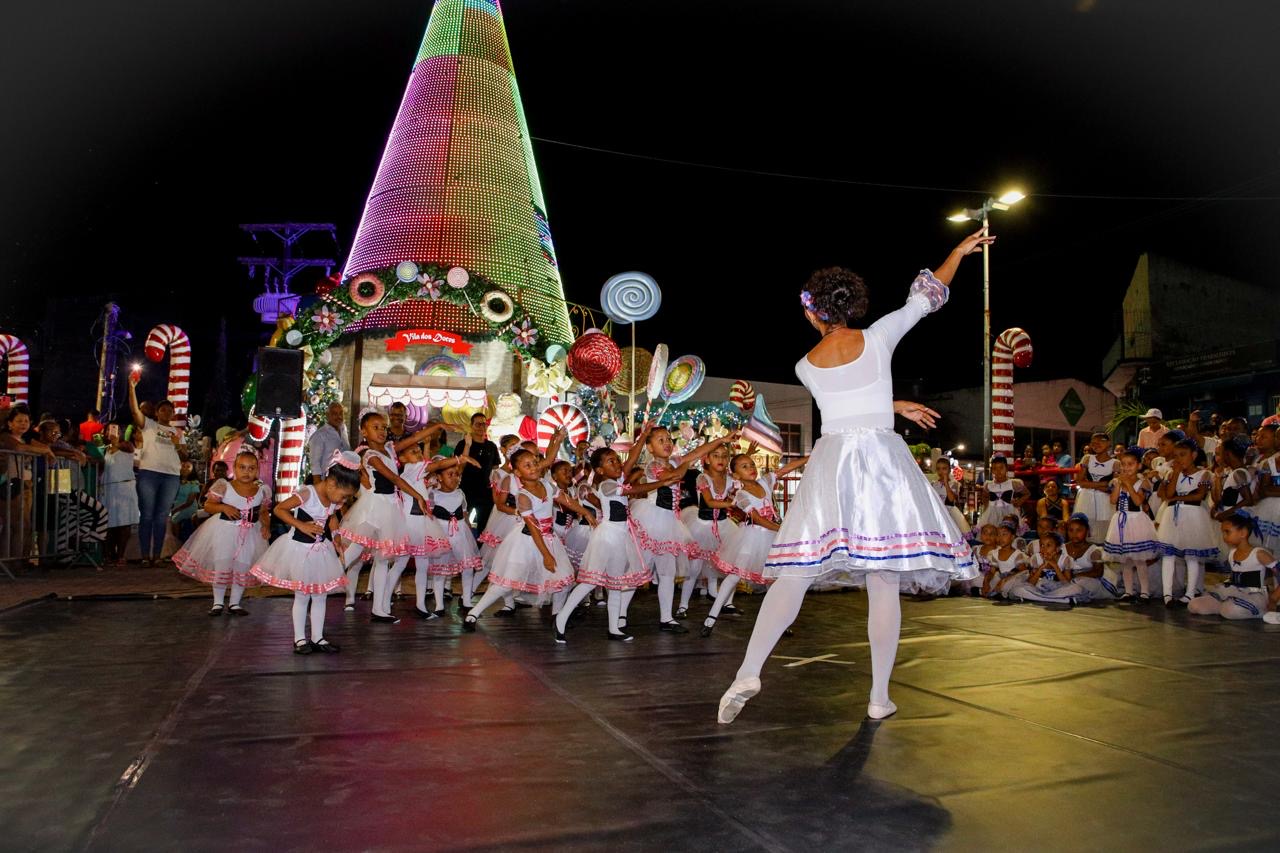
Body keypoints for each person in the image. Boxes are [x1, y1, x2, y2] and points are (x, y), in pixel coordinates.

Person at [718, 229, 989, 725]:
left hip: (834, 463)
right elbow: (925, 298)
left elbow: (844, 407)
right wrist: (956, 252)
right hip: (881, 463)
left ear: (811, 311)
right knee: (882, 579)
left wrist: (890, 403)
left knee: (795, 575)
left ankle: (749, 670)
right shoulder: (879, 335)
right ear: (851, 306)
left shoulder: (804, 366)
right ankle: (878, 696)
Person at [463, 447, 590, 631]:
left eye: (535, 463)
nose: (534, 467)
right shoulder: (523, 497)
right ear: (517, 472)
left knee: (563, 580)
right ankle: (473, 614)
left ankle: (557, 617)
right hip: (527, 541)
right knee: (506, 582)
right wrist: (546, 555)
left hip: (548, 538)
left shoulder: (546, 485)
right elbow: (533, 527)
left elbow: (565, 499)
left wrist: (586, 512)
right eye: (527, 465)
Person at [628, 423, 738, 632]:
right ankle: (621, 614)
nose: (667, 443)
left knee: (667, 572)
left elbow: (697, 452)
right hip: (653, 521)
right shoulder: (652, 466)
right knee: (639, 571)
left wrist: (720, 441)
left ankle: (667, 618)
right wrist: (687, 461)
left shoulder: (676, 462)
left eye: (669, 439)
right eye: (660, 440)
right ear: (650, 448)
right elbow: (673, 477)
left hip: (670, 523)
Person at [251, 451, 361, 654]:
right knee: (302, 595)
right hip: (299, 551)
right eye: (344, 496)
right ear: (332, 483)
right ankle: (300, 639)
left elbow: (332, 517)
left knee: (320, 595)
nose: (344, 501)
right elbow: (279, 509)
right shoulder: (307, 493)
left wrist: (336, 536)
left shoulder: (333, 498)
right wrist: (301, 525)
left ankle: (318, 638)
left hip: (321, 551)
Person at [337, 413, 438, 622]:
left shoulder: (390, 449)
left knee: (383, 560)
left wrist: (439, 427)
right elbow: (392, 477)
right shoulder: (370, 454)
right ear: (364, 432)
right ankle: (319, 582)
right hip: (376, 506)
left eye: (384, 427)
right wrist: (418, 495)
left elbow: (413, 439)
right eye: (376, 427)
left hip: (391, 505)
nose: (382, 431)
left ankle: (379, 609)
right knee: (354, 551)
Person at [702, 453, 808, 636]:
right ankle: (711, 617)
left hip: (771, 537)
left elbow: (787, 469)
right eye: (744, 466)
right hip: (752, 537)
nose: (750, 468)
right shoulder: (741, 495)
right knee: (734, 576)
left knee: (772, 581)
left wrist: (810, 457)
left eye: (751, 464)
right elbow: (758, 520)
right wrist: (781, 529)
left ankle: (778, 623)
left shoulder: (765, 482)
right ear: (735, 475)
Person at [553, 447, 652, 642]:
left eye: (617, 460)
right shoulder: (606, 485)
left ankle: (614, 628)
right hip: (607, 537)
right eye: (610, 461)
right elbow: (636, 489)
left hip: (621, 536)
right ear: (599, 470)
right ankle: (560, 619)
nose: (617, 464)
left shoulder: (616, 481)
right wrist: (663, 481)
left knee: (616, 583)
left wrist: (642, 437)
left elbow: (630, 461)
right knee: (590, 582)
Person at [174, 449, 271, 616]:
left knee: (243, 564)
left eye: (251, 468)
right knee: (222, 563)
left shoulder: (262, 489)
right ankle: (217, 603)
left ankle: (235, 603)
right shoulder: (224, 485)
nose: (246, 472)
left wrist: (266, 526)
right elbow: (208, 505)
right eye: (242, 467)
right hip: (225, 530)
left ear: (257, 469)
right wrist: (224, 507)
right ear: (234, 467)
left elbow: (263, 511)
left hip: (250, 533)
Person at [128, 375, 186, 566]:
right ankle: (145, 556)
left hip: (171, 476)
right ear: (157, 412)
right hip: (149, 473)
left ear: (173, 413)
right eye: (163, 409)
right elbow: (135, 411)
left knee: (162, 516)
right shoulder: (149, 426)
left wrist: (178, 444)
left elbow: (185, 456)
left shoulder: (178, 432)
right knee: (147, 514)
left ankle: (158, 555)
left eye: (170, 410)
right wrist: (132, 387)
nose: (167, 412)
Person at [678, 443, 737, 617]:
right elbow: (710, 502)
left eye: (724, 456)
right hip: (703, 527)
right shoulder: (702, 478)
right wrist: (732, 502)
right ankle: (683, 606)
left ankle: (727, 602)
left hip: (724, 525)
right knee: (695, 569)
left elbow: (738, 488)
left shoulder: (731, 479)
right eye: (716, 456)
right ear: (707, 459)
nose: (721, 459)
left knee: (731, 566)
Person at [1156, 438, 1215, 607]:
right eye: (1176, 456)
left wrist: (1176, 498)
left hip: (1193, 515)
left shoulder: (1203, 474)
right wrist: (1175, 474)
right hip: (1173, 515)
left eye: (1183, 455)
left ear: (1194, 455)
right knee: (1169, 554)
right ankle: (1167, 594)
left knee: (1192, 554)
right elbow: (1167, 494)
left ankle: (1190, 593)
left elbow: (1199, 495)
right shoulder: (1172, 473)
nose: (1179, 459)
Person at [427, 453, 483, 613]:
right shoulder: (433, 495)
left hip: (460, 534)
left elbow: (464, 514)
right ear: (439, 477)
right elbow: (429, 516)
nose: (455, 478)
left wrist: (469, 535)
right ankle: (439, 605)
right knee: (441, 569)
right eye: (450, 475)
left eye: (457, 474)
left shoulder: (460, 494)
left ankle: (466, 600)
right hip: (441, 534)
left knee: (467, 567)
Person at [1191, 512, 1274, 619]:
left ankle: (1259, 611)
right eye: (1223, 533)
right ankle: (1226, 606)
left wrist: (1274, 598)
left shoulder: (1259, 554)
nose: (1224, 537)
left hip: (1253, 594)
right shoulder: (1232, 553)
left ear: (1243, 533)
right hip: (1232, 591)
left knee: (1229, 611)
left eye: (1227, 532)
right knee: (1194, 605)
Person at [1103, 447, 1160, 601]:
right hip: (1121, 520)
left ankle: (1145, 592)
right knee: (1126, 560)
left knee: (1139, 560)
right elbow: (1113, 501)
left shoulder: (1143, 483)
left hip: (1136, 521)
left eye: (1130, 464)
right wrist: (1118, 485)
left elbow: (1137, 501)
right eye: (1123, 464)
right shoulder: (1116, 482)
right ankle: (1128, 591)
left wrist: (1128, 485)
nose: (1126, 468)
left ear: (1138, 466)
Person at [0, 407, 53, 562]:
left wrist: (46, 451)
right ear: (10, 423)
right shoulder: (5, 437)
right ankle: (13, 563)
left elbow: (44, 447)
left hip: (25, 485)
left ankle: (17, 561)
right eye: (19, 421)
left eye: (26, 421)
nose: (23, 424)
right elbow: (18, 448)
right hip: (12, 485)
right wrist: (42, 451)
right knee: (19, 525)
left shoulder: (25, 439)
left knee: (21, 526)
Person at [455, 412, 502, 533]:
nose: (481, 427)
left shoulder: (491, 446)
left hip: (485, 491)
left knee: (485, 525)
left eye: (484, 424)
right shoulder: (463, 444)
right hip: (466, 489)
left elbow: (495, 468)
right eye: (478, 424)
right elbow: (459, 467)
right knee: (462, 523)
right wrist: (467, 446)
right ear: (471, 426)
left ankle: (481, 549)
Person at [101, 428, 139, 565]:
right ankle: (109, 554)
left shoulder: (126, 446)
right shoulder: (106, 449)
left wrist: (115, 442)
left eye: (116, 429)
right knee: (109, 523)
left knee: (124, 522)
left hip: (124, 488)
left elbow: (128, 449)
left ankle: (121, 555)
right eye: (109, 429)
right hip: (109, 488)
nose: (112, 432)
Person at [1072, 432, 1116, 542]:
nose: (1096, 445)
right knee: (1085, 526)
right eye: (1093, 443)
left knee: (1103, 529)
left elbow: (1112, 487)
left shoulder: (1116, 463)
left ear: (1108, 443)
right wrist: (1102, 484)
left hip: (1105, 501)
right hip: (1086, 499)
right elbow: (1080, 482)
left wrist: (1090, 485)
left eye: (1100, 441)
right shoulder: (1087, 458)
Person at [975, 456, 1026, 530]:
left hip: (1009, 513)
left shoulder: (1013, 483)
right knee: (991, 533)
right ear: (992, 470)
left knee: (1008, 532)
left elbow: (1027, 493)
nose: (998, 471)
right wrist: (987, 508)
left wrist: (1019, 502)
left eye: (1001, 468)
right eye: (995, 468)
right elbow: (985, 497)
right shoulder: (988, 484)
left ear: (1006, 469)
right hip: (992, 513)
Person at [308, 402, 350, 486]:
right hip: (328, 483)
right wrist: (318, 487)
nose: (339, 417)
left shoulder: (343, 430)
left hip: (344, 481)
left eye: (341, 413)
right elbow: (315, 464)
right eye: (334, 413)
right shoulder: (319, 435)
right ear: (327, 415)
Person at [169, 461, 202, 542]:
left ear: (192, 470)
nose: (185, 468)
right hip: (177, 506)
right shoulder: (176, 481)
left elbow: (189, 502)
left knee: (174, 519)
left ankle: (176, 543)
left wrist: (175, 510)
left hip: (188, 507)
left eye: (188, 467)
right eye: (183, 466)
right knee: (166, 519)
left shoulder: (194, 482)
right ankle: (175, 539)